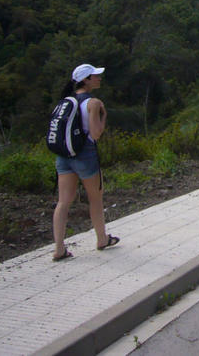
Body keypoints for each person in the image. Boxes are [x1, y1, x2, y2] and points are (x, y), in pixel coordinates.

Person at [52, 63, 119, 261]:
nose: (99, 78)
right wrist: (104, 115)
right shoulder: (93, 103)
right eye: (95, 76)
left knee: (63, 202)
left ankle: (59, 249)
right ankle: (101, 239)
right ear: (86, 80)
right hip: (86, 155)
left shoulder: (66, 101)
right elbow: (96, 134)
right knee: (95, 198)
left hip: (64, 156)